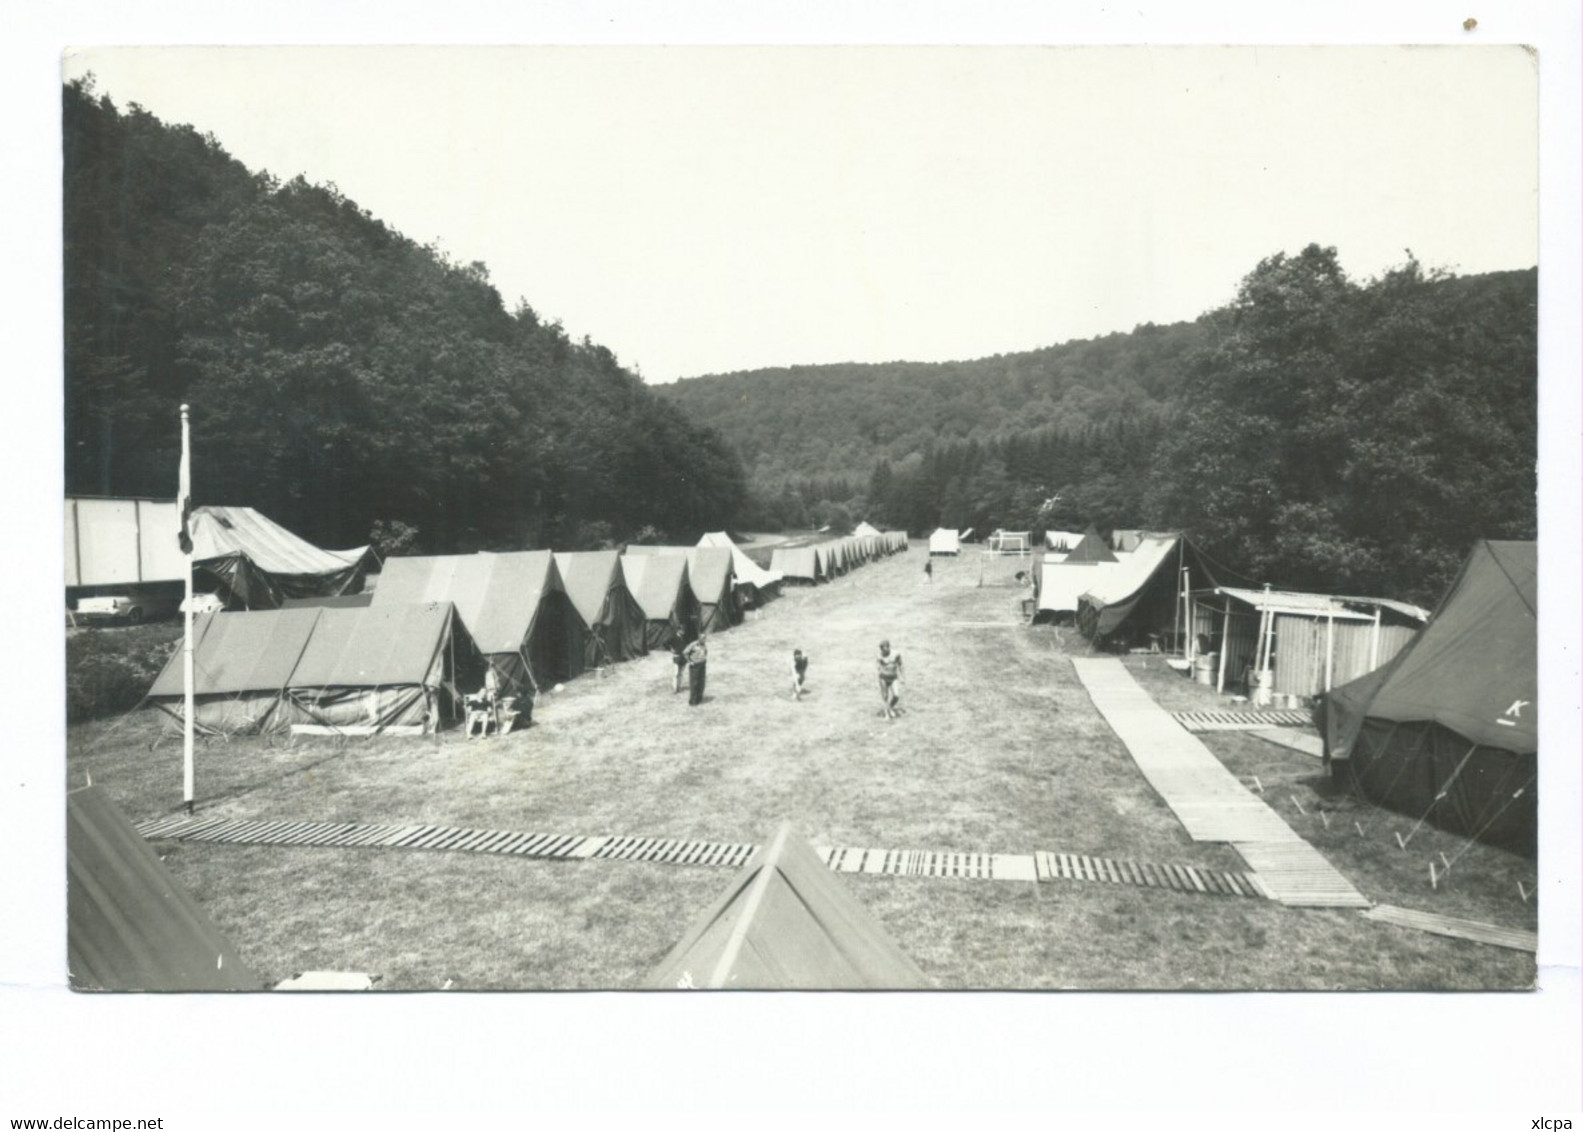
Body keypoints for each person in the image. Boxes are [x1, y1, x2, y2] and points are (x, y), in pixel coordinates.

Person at [876, 639, 904, 720]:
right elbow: (878, 667)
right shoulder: (879, 655)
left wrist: (902, 677)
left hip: (893, 678)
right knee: (885, 696)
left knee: (896, 696)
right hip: (883, 678)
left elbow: (900, 665)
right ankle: (887, 714)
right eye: (882, 650)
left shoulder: (896, 654)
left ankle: (890, 707)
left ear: (888, 647)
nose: (883, 652)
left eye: (884, 650)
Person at [684, 632, 709, 706]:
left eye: (705, 638)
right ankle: (693, 701)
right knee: (694, 683)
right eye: (703, 638)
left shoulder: (704, 645)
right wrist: (690, 661)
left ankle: (699, 698)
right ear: (699, 638)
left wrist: (703, 659)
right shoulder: (693, 645)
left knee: (701, 682)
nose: (704, 639)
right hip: (695, 666)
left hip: (702, 665)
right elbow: (685, 653)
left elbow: (705, 652)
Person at [668, 625, 688, 694]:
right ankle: (674, 688)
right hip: (677, 657)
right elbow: (665, 643)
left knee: (681, 673)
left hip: (683, 657)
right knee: (676, 673)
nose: (683, 632)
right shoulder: (673, 637)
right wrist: (670, 649)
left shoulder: (684, 638)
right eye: (682, 630)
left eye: (684, 630)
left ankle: (679, 687)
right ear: (678, 630)